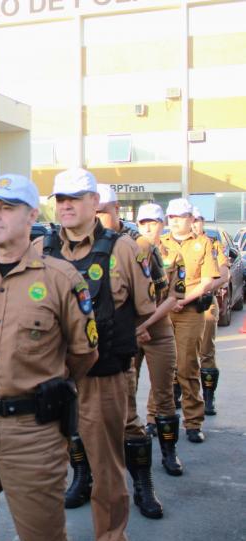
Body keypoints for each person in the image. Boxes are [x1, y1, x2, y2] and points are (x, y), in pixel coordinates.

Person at [0, 174, 98, 541]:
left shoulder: (62, 279)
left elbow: (84, 353)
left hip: (33, 432)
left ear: (31, 216)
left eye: (7, 207)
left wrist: (36, 379)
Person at [38, 168, 155, 541]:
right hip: (51, 378)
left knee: (107, 470)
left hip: (103, 377)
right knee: (43, 468)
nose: (66, 205)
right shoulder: (42, 248)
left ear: (94, 202)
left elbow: (145, 310)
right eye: (60, 199)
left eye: (74, 198)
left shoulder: (123, 249)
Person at [94, 187, 174, 519]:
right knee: (79, 421)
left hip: (121, 345)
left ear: (115, 208)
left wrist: (138, 329)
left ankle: (143, 483)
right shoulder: (65, 247)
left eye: (102, 210)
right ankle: (83, 478)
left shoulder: (134, 246)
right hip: (84, 351)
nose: (97, 216)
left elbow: (154, 297)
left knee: (128, 417)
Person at [160, 198, 219, 444]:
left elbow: (208, 281)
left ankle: (193, 422)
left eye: (180, 217)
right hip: (162, 312)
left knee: (187, 367)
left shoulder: (203, 244)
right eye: (171, 217)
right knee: (162, 370)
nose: (175, 221)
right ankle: (156, 419)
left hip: (190, 311)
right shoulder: (160, 243)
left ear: (191, 219)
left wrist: (182, 300)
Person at [133, 203, 185, 477]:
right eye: (144, 223)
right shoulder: (126, 250)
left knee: (164, 393)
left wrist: (147, 324)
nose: (149, 228)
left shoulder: (174, 254)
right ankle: (127, 449)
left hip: (158, 327)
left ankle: (169, 452)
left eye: (154, 222)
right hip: (131, 328)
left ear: (162, 224)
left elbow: (174, 297)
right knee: (125, 392)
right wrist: (135, 326)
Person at [192, 207, 227, 416]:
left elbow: (223, 275)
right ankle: (177, 395)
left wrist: (203, 288)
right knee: (178, 354)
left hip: (204, 303)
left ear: (202, 222)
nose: (194, 224)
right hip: (178, 305)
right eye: (191, 220)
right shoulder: (170, 244)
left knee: (206, 352)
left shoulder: (213, 244)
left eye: (197, 220)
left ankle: (208, 398)